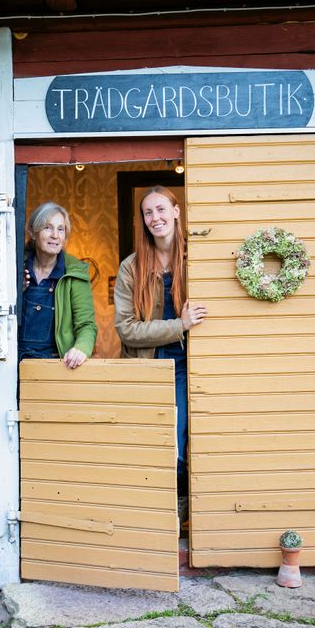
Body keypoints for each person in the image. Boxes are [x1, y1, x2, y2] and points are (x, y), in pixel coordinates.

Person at [113, 186, 207, 521]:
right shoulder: (131, 267)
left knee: (187, 436)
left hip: (191, 363)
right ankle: (163, 510)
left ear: (176, 212)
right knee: (158, 440)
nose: (155, 218)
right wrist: (179, 325)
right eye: (148, 212)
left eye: (161, 209)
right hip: (148, 365)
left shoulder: (198, 257)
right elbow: (126, 329)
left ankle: (182, 504)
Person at [19, 202, 97, 368]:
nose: (55, 235)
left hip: (56, 364)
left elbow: (86, 325)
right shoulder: (16, 265)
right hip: (13, 361)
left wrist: (81, 348)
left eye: (61, 229)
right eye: (48, 228)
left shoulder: (75, 272)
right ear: (32, 232)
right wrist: (17, 293)